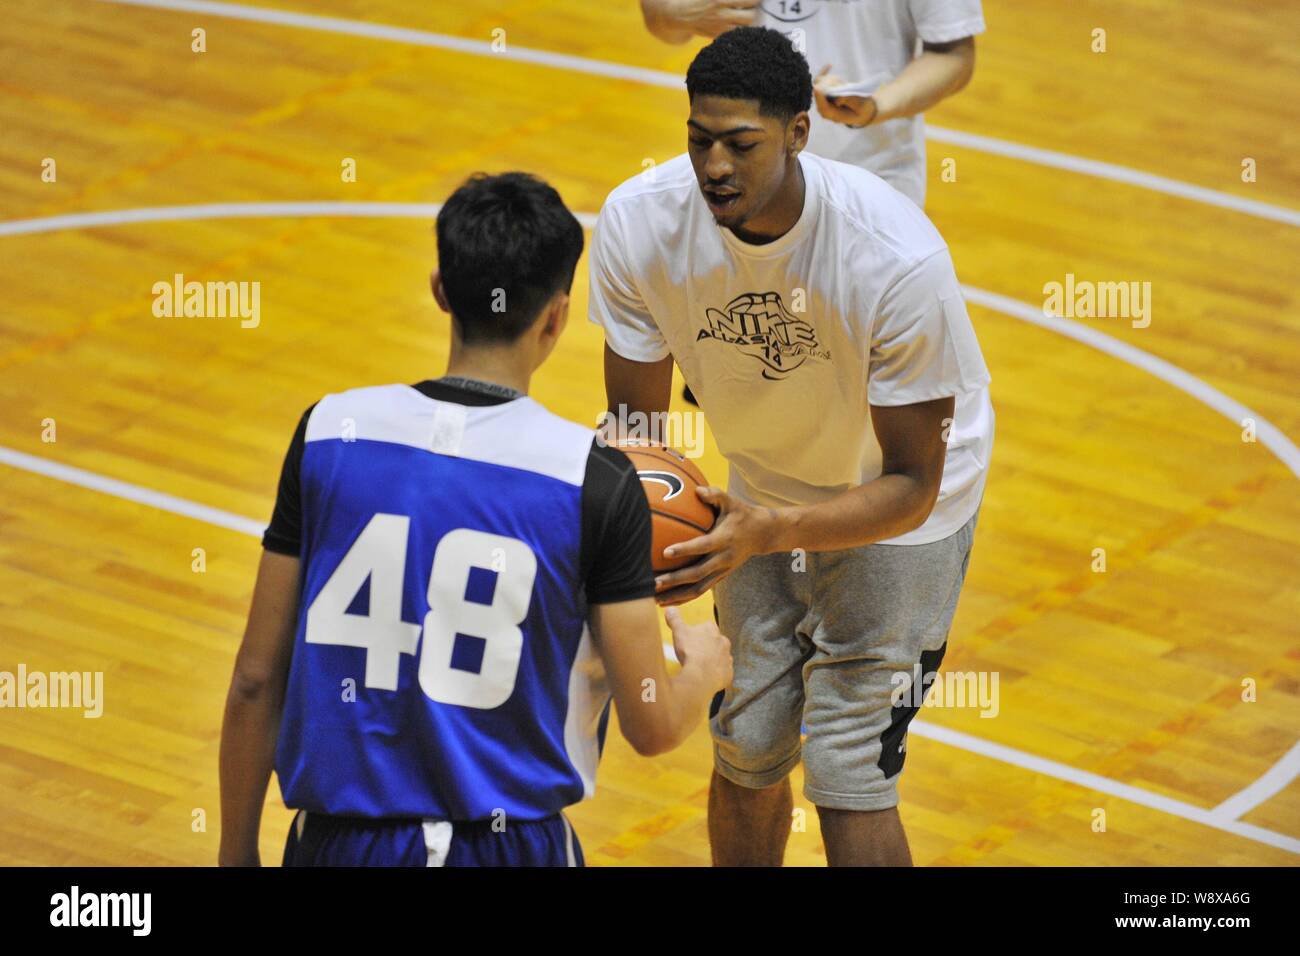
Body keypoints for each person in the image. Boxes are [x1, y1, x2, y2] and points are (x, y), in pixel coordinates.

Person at [218, 171, 732, 867]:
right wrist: (702, 669)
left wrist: (235, 849)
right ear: (555, 315)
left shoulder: (330, 431)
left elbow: (255, 677)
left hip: (334, 843)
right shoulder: (592, 478)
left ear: (439, 290)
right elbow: (653, 722)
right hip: (502, 846)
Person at [589, 27, 993, 866]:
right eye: (699, 140)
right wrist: (632, 541)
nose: (714, 167)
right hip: (761, 482)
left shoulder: (895, 258)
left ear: (799, 133)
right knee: (746, 743)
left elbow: (914, 481)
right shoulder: (640, 225)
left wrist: (770, 531)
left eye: (741, 145)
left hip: (901, 508)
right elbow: (636, 436)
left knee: (850, 769)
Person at [639, 0, 983, 207]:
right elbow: (662, 21)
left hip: (869, 181)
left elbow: (954, 54)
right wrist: (668, 15)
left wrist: (877, 104)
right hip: (738, 178)